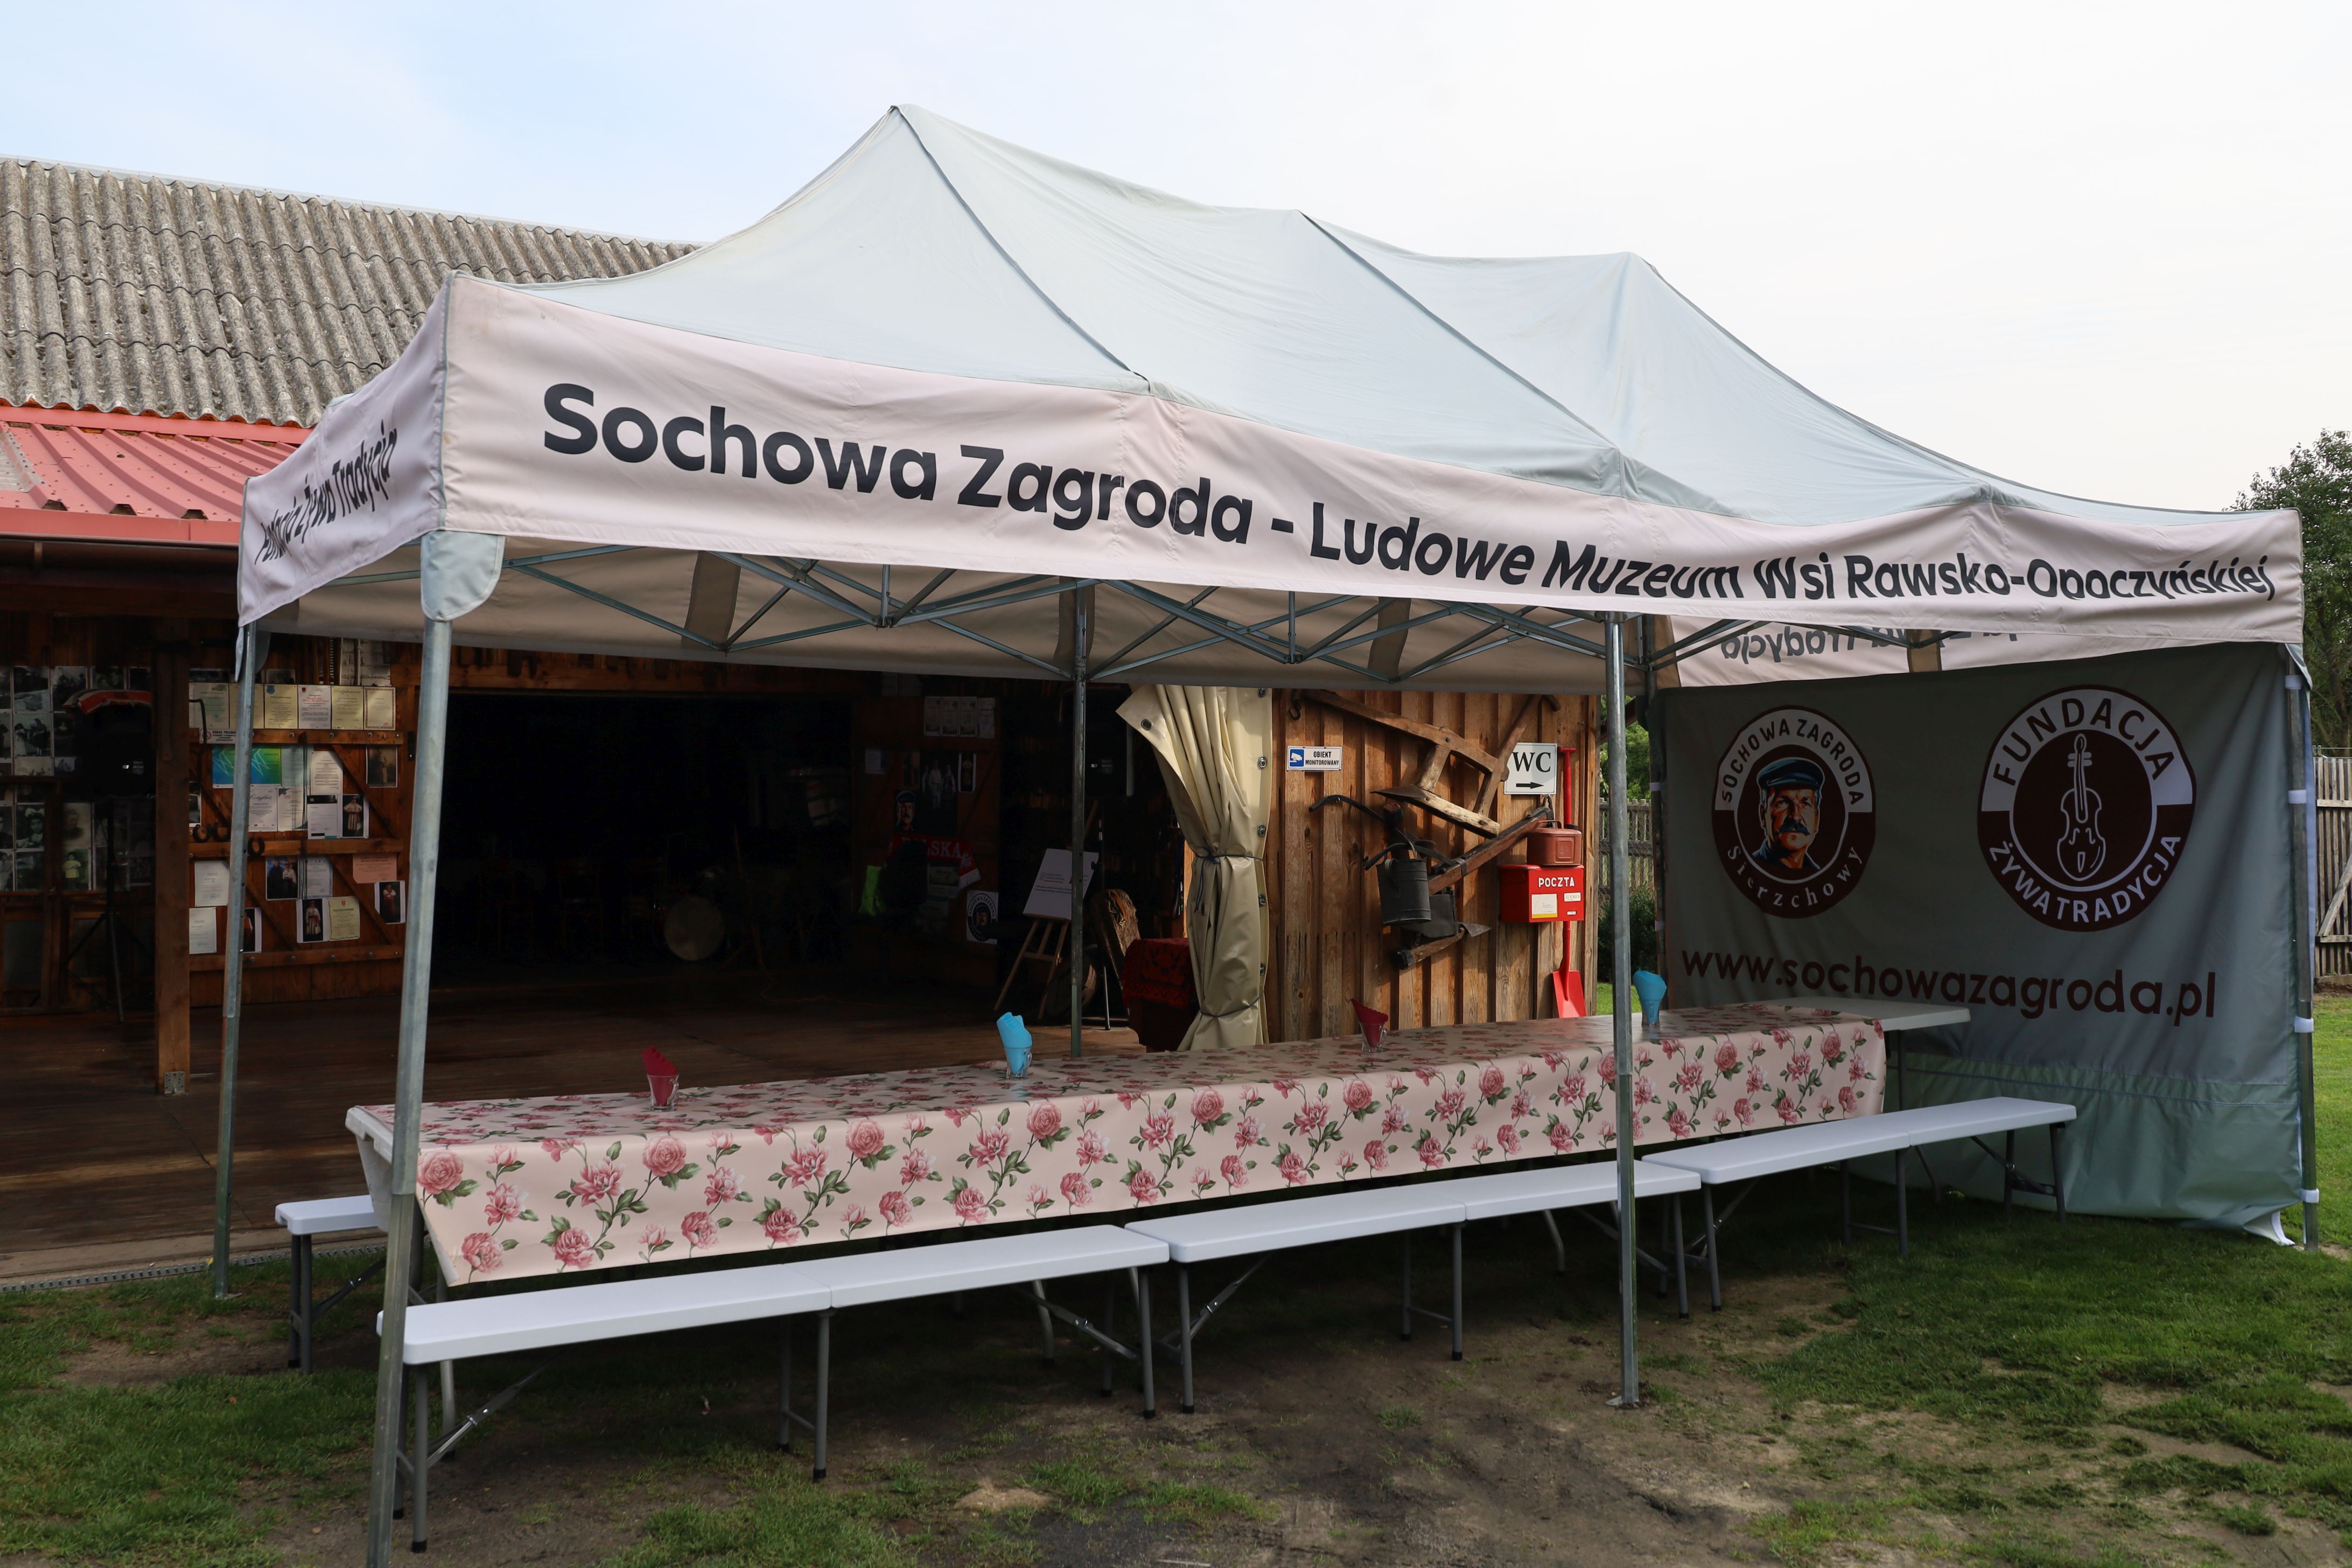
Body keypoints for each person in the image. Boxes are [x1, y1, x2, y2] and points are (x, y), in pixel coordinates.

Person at [1749, 757, 1827, 876]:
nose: (1795, 816)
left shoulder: (1819, 876)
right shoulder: (1751, 870)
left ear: (1817, 820)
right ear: (1763, 815)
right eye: (1783, 803)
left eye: (1805, 804)